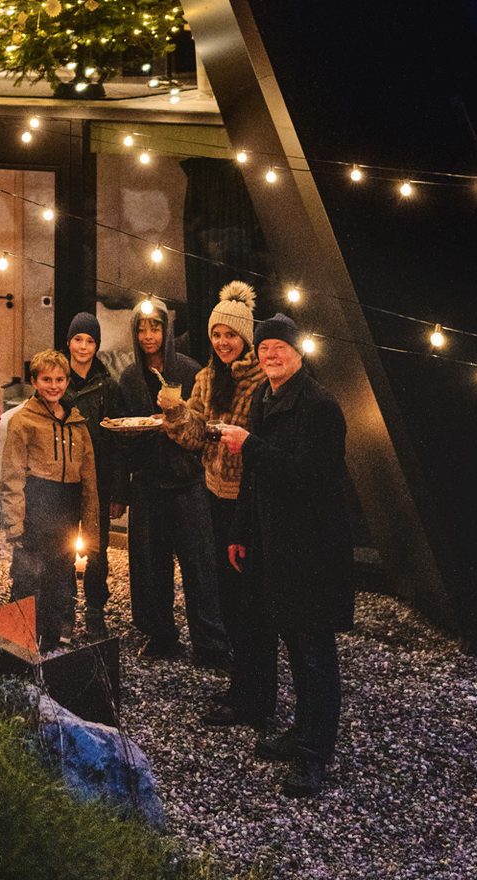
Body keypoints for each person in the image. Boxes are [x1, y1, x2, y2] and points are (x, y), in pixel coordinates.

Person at [217, 313, 355, 800]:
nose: (270, 354)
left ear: (299, 353)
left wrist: (251, 446)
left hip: (313, 550)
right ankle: (302, 730)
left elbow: (313, 481)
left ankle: (315, 755)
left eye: (279, 347)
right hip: (275, 544)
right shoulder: (263, 397)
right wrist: (240, 531)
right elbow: (253, 482)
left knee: (314, 651)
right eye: (264, 348)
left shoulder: (319, 407)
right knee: (293, 643)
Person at [157, 279, 268, 717]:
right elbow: (194, 437)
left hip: (250, 501)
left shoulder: (262, 380)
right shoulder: (205, 377)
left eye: (231, 335)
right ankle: (242, 687)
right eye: (217, 334)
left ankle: (256, 693)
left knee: (250, 599)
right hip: (214, 496)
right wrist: (174, 412)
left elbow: (259, 444)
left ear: (246, 337)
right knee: (226, 593)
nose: (223, 342)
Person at [106, 298, 229, 666]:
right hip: (147, 483)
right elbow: (121, 433)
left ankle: (211, 643)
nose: (147, 336)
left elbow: (203, 425)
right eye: (141, 329)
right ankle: (160, 635)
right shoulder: (128, 378)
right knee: (148, 566)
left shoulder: (189, 370)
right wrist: (121, 489)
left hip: (188, 482)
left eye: (155, 328)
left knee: (201, 566)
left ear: (166, 330)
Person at [1, 347, 101, 650]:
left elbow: (89, 479)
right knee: (28, 575)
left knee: (60, 576)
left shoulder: (77, 424)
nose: (54, 386)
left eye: (60, 379)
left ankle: (51, 640)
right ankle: (19, 641)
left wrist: (91, 528)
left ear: (67, 381)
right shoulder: (24, 421)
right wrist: (14, 523)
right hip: (37, 504)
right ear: (35, 381)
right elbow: (12, 475)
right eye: (47, 379)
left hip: (67, 509)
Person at [64, 311, 117, 637]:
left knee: (97, 548)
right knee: (62, 544)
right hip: (64, 478)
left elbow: (115, 440)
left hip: (99, 478)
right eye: (78, 339)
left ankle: (95, 610)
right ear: (69, 341)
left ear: (97, 345)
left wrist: (117, 490)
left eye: (90, 340)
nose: (83, 347)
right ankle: (65, 607)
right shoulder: (56, 378)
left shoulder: (108, 386)